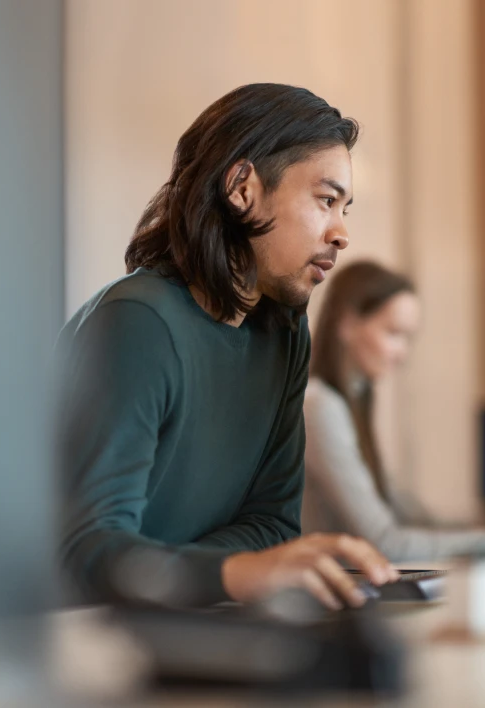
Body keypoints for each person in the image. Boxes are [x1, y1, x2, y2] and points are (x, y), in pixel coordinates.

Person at [57, 83, 398, 611]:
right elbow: (87, 552)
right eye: (326, 200)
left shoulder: (285, 334)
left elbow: (273, 525)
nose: (341, 234)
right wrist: (234, 573)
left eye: (344, 209)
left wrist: (207, 574)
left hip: (191, 621)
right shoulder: (137, 322)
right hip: (84, 637)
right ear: (242, 188)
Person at [304, 261, 485, 561]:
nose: (402, 353)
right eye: (393, 333)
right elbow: (385, 543)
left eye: (408, 338)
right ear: (348, 324)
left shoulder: (353, 404)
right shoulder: (320, 406)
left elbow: (413, 517)